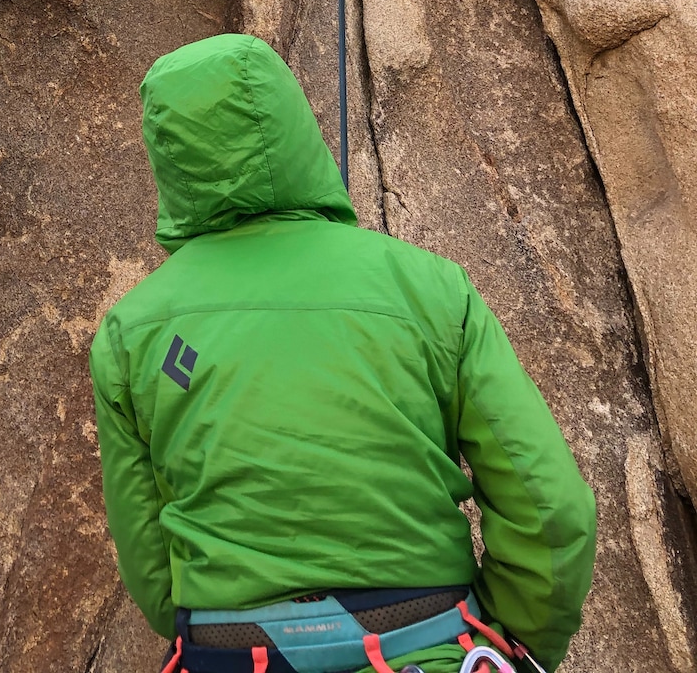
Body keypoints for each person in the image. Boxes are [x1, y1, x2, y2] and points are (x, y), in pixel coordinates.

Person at [89, 33, 596, 673]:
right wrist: (511, 642)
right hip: (428, 650)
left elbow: (151, 566)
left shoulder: (129, 333)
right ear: (296, 128)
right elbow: (552, 511)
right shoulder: (432, 289)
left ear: (168, 159)